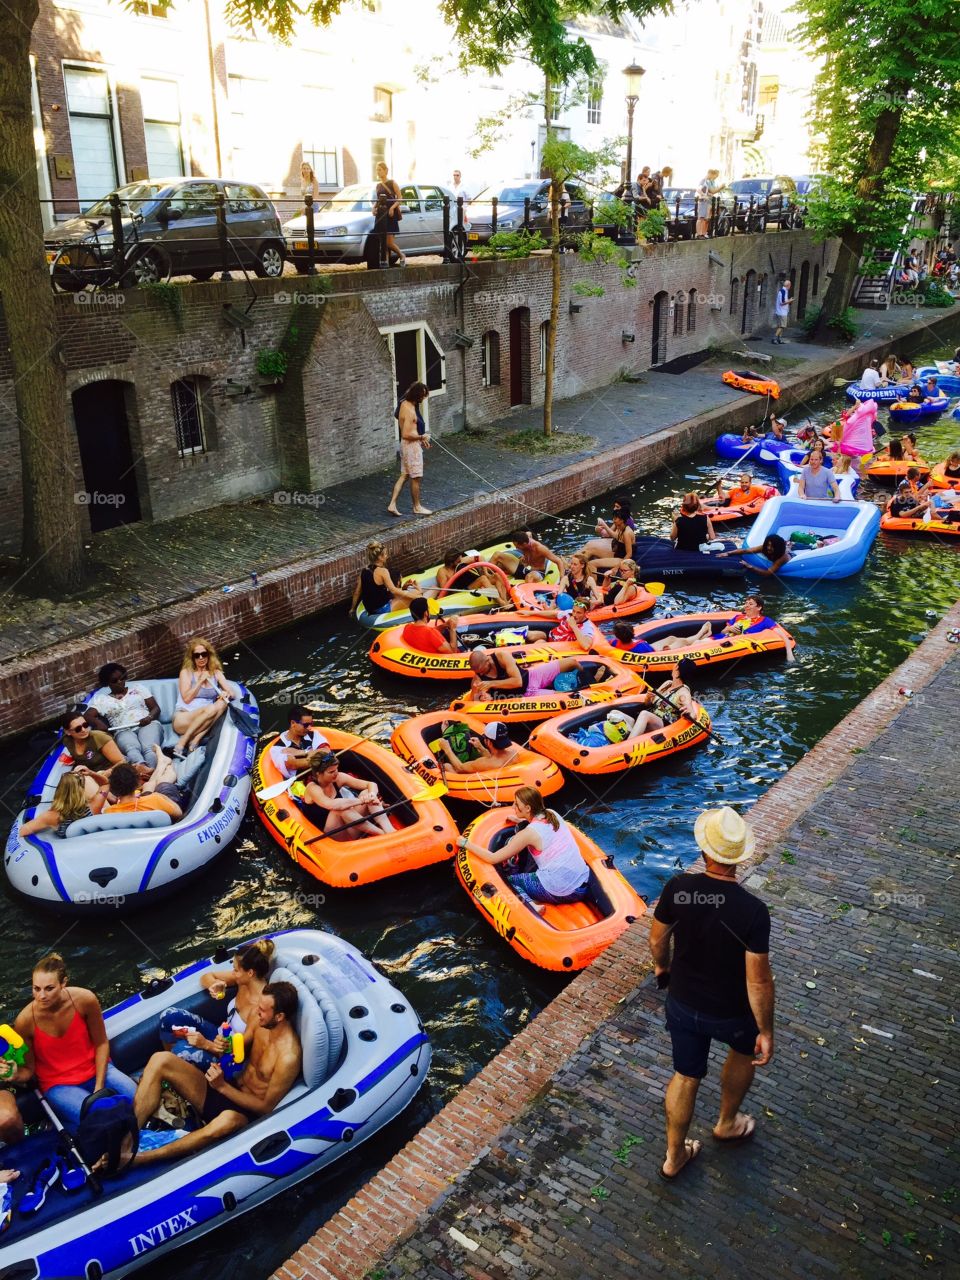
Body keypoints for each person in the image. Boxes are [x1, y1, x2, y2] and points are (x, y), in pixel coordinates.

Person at [648, 806, 774, 1179]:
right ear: (738, 858)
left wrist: (663, 966)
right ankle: (727, 1123)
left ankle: (674, 1157)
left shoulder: (679, 889)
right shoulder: (753, 911)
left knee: (685, 1075)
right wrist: (765, 1031)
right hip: (732, 1011)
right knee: (740, 1053)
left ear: (705, 851)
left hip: (684, 1003)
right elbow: (758, 981)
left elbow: (658, 939)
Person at [132, 983, 302, 1166]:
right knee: (160, 1059)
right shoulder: (262, 1024)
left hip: (243, 1112)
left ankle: (141, 1159)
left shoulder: (288, 1057)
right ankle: (128, 1138)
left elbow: (265, 1108)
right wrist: (219, 1045)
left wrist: (222, 1086)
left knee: (226, 1122)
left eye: (262, 1010)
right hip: (228, 1082)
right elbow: (238, 1048)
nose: (256, 1011)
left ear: (280, 1016)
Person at [5, 953, 137, 1130]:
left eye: (49, 988)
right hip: (58, 1085)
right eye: (36, 989)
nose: (41, 996)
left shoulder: (85, 999)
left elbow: (101, 1044)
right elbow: (29, 1070)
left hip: (97, 1070)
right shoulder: (25, 1021)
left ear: (63, 983)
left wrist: (98, 1087)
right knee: (99, 1118)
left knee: (138, 1098)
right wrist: (15, 1075)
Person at [457, 786, 589, 911]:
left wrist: (466, 843)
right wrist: (519, 820)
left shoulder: (529, 833)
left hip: (564, 892)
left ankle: (532, 906)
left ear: (528, 808)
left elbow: (493, 858)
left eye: (516, 804)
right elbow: (540, 826)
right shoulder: (551, 814)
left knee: (509, 881)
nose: (513, 807)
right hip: (583, 883)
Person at [159, 940, 276, 1071]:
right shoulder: (243, 981)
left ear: (250, 973)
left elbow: (239, 1049)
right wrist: (214, 985)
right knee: (168, 1016)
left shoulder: (260, 1008)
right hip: (220, 1034)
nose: (233, 973)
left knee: (180, 1050)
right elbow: (206, 976)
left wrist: (205, 1044)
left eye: (236, 970)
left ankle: (172, 1072)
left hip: (230, 1059)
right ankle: (171, 1068)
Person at [297, 750, 393, 839]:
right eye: (331, 772)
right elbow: (331, 805)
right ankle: (382, 834)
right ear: (318, 774)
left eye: (336, 769)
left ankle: (390, 831)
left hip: (351, 827)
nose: (336, 773)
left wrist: (372, 795)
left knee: (366, 792)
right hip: (332, 834)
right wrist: (362, 800)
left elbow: (371, 784)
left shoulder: (339, 777)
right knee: (339, 809)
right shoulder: (313, 788)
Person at [85, 663, 163, 768]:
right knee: (132, 750)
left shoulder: (138, 688)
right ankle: (145, 773)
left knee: (149, 748)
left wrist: (149, 717)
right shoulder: (101, 699)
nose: (120, 682)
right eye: (114, 680)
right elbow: (87, 715)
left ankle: (150, 773)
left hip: (147, 724)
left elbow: (156, 708)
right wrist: (98, 723)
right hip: (122, 730)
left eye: (122, 678)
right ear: (107, 683)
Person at [172, 637, 233, 760]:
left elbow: (231, 692)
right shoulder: (186, 672)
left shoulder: (215, 672)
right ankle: (184, 741)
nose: (201, 658)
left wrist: (226, 693)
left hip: (206, 718)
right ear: (192, 657)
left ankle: (196, 739)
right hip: (184, 718)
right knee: (211, 708)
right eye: (197, 655)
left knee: (222, 703)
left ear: (209, 655)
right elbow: (187, 698)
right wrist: (200, 681)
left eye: (204, 654)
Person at [57, 708, 130, 801]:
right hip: (90, 777)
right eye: (78, 729)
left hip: (111, 775)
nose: (83, 730)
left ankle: (111, 800)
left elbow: (122, 761)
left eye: (85, 725)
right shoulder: (67, 741)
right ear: (68, 732)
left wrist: (103, 774)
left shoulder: (99, 737)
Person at [467, 647, 582, 701]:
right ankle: (585, 693)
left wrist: (491, 684)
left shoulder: (501, 656)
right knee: (567, 696)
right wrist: (484, 697)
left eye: (482, 670)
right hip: (525, 695)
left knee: (572, 662)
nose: (481, 673)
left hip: (531, 677)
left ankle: (589, 679)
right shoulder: (478, 678)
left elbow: (518, 682)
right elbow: (473, 701)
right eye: (478, 672)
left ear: (487, 660)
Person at [387, 381, 432, 516]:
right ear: (417, 395)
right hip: (411, 447)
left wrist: (420, 437)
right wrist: (422, 436)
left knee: (405, 475)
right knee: (416, 477)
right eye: (422, 396)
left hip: (405, 446)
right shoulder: (411, 411)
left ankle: (392, 504)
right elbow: (406, 434)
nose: (423, 399)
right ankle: (417, 507)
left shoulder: (403, 404)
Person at [351, 540, 423, 617]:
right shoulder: (383, 571)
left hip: (370, 608)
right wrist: (416, 596)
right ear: (380, 557)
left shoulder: (364, 571)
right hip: (382, 609)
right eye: (385, 554)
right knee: (417, 594)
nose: (387, 556)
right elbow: (393, 590)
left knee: (411, 594)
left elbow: (357, 592)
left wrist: (352, 609)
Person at [18, 771, 99, 839]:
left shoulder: (51, 816)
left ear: (59, 789)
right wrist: (92, 773)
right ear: (81, 790)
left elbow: (22, 832)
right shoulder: (92, 805)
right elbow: (105, 785)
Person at [105, 754, 184, 821]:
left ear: (112, 788)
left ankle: (162, 763)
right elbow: (179, 813)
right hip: (163, 801)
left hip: (139, 801)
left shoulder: (109, 813)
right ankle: (166, 764)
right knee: (162, 783)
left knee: (149, 785)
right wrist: (161, 796)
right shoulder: (156, 800)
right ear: (137, 783)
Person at [434, 720, 520, 774]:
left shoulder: (484, 763)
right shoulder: (514, 754)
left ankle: (445, 732)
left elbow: (460, 768)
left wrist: (447, 749)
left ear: (489, 742)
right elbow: (495, 758)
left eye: (485, 738)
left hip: (475, 785)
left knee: (447, 766)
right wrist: (481, 748)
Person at [269, 705, 330, 780]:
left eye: (311, 724)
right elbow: (292, 764)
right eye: (306, 725)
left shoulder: (314, 735)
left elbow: (327, 751)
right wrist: (311, 754)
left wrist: (302, 752)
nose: (309, 728)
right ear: (293, 723)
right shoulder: (277, 748)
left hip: (322, 775)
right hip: (301, 783)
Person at [436, 549, 510, 605]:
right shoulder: (442, 572)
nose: (460, 561)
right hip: (460, 590)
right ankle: (501, 602)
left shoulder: (461, 561)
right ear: (452, 562)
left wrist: (486, 572)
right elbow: (444, 592)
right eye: (458, 561)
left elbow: (480, 558)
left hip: (472, 582)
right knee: (483, 579)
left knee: (496, 575)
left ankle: (505, 600)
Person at [491, 530, 564, 581]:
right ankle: (486, 575)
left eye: (517, 546)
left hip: (536, 572)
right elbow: (528, 533)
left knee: (529, 577)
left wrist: (562, 578)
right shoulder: (526, 538)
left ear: (524, 544)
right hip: (522, 567)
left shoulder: (540, 548)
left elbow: (558, 561)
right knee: (497, 555)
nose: (516, 548)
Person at [525, 596, 597, 647]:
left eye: (579, 613)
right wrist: (531, 613)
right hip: (550, 637)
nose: (574, 614)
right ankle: (515, 635)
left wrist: (574, 626)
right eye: (574, 611)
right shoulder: (569, 613)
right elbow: (554, 614)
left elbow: (586, 645)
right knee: (536, 634)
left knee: (540, 642)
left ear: (586, 613)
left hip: (558, 648)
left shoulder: (587, 627)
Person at [373, 160, 404, 268]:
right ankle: (384, 262)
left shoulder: (392, 183)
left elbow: (400, 198)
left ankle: (402, 255)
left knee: (389, 242)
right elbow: (378, 200)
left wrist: (392, 207)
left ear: (386, 171)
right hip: (381, 215)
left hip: (390, 214)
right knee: (383, 241)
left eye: (380, 170)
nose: (378, 172)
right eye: (377, 170)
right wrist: (374, 208)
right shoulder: (377, 186)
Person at [718, 533, 791, 576]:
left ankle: (790, 544)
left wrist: (750, 567)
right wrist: (728, 553)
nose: (768, 548)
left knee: (789, 548)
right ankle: (788, 543)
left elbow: (768, 573)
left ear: (776, 547)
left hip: (790, 554)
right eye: (768, 545)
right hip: (782, 548)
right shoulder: (764, 548)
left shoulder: (782, 557)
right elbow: (745, 551)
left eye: (772, 546)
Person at [695, 168, 719, 238]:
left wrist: (708, 194)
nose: (713, 177)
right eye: (713, 175)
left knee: (705, 219)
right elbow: (698, 189)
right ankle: (699, 234)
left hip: (707, 201)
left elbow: (706, 190)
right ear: (710, 174)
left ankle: (703, 233)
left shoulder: (707, 181)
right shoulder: (703, 180)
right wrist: (704, 195)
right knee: (701, 218)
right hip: (703, 201)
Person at [772, 276, 791, 344]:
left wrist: (788, 300)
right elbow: (782, 302)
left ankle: (779, 339)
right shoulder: (783, 292)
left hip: (782, 311)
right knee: (782, 326)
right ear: (788, 285)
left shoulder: (784, 291)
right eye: (790, 285)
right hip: (781, 312)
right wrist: (790, 301)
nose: (790, 286)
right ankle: (774, 338)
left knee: (781, 326)